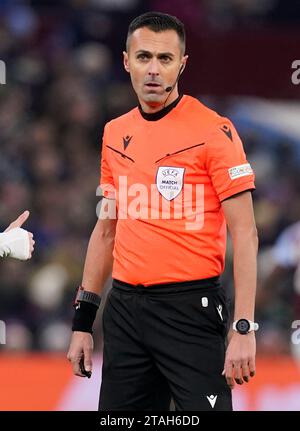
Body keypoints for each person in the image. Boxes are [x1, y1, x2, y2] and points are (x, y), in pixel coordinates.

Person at [67, 11, 259, 411]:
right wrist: (83, 324)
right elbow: (106, 229)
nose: (153, 70)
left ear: (182, 64)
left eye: (165, 59)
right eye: (143, 58)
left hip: (190, 311)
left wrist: (243, 327)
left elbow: (245, 233)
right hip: (124, 312)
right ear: (126, 62)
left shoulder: (214, 130)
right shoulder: (114, 133)